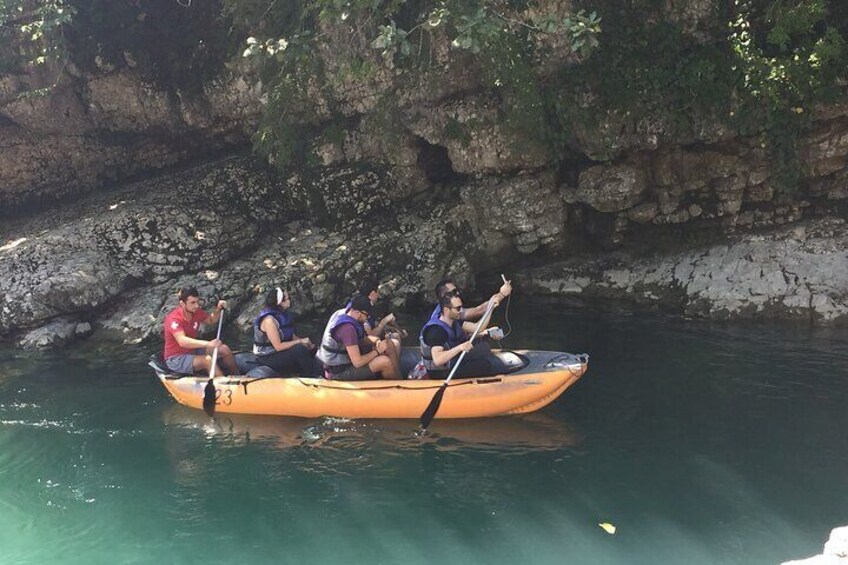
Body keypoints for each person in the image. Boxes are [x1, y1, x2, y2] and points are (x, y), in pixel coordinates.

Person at [419, 292, 508, 379]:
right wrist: (460, 348)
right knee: (483, 365)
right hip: (441, 372)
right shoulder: (436, 331)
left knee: (483, 348)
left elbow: (478, 327)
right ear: (446, 310)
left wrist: (490, 308)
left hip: (454, 360)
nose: (461, 311)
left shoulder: (454, 321)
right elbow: (438, 360)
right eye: (458, 308)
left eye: (461, 307)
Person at [317, 294, 401, 380]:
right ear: (357, 312)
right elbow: (358, 362)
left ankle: (400, 381)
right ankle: (397, 387)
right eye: (366, 316)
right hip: (338, 372)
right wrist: (377, 351)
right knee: (384, 362)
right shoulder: (348, 329)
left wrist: (376, 341)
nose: (367, 319)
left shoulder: (345, 313)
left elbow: (358, 341)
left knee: (389, 344)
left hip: (348, 361)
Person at [163, 287, 239, 376]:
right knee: (207, 360)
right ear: (182, 303)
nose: (196, 305)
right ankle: (223, 386)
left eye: (197, 302)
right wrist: (208, 344)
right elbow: (182, 341)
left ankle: (239, 376)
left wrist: (218, 309)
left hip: (192, 351)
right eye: (192, 303)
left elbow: (211, 320)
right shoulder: (174, 319)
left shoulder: (196, 312)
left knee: (224, 349)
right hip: (176, 358)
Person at [253, 287, 320, 376]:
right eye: (288, 298)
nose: (290, 300)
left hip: (278, 353)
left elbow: (291, 335)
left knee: (310, 348)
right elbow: (278, 347)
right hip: (267, 357)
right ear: (281, 302)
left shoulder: (283, 314)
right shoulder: (269, 321)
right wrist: (300, 342)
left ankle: (319, 371)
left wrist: (308, 344)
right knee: (300, 350)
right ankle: (311, 377)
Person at [429, 277, 512, 323]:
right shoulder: (446, 312)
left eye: (457, 290)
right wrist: (502, 294)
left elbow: (479, 310)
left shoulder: (451, 310)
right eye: (454, 292)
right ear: (444, 296)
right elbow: (479, 311)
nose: (457, 293)